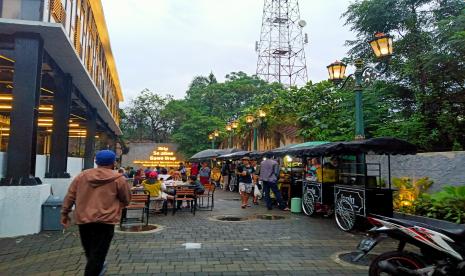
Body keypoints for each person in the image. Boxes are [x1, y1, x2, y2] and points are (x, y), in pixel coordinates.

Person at [61, 150, 131, 276]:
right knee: (97, 255)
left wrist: (64, 213)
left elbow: (70, 196)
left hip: (84, 220)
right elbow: (126, 199)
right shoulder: (119, 179)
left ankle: (98, 268)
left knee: (91, 252)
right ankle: (97, 269)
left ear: (96, 161)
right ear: (113, 162)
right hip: (106, 221)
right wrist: (117, 206)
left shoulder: (82, 176)